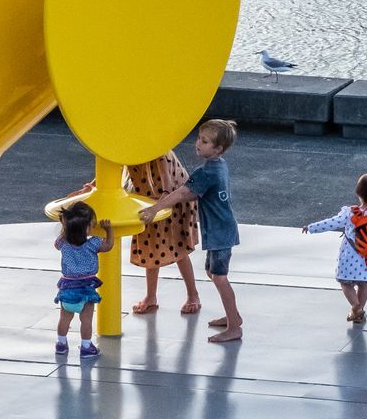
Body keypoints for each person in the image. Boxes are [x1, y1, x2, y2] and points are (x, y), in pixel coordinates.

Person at [140, 119, 241, 343]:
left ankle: (234, 327)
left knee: (220, 277)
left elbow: (182, 194)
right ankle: (233, 316)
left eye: (205, 142)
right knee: (212, 273)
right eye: (199, 138)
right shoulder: (220, 165)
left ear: (217, 149)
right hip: (222, 230)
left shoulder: (206, 173)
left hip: (219, 233)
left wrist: (155, 209)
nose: (198, 144)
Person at [303, 173, 367, 323]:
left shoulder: (350, 214)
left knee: (345, 284)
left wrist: (311, 227)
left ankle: (356, 307)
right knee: (364, 284)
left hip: (350, 258)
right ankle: (359, 312)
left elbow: (330, 223)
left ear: (358, 193)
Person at [127, 152, 200, 315]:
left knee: (178, 246)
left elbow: (167, 185)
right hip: (148, 196)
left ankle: (193, 294)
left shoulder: (157, 147)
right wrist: (95, 185)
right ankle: (151, 297)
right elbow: (113, 166)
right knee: (150, 244)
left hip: (173, 197)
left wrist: (163, 199)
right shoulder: (125, 146)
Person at [54, 200, 114, 358]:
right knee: (86, 320)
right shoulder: (93, 243)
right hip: (86, 289)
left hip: (67, 288)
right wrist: (109, 230)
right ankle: (86, 347)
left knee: (64, 318)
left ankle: (61, 344)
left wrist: (65, 226)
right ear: (87, 228)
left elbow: (57, 242)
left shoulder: (63, 243)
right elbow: (108, 246)